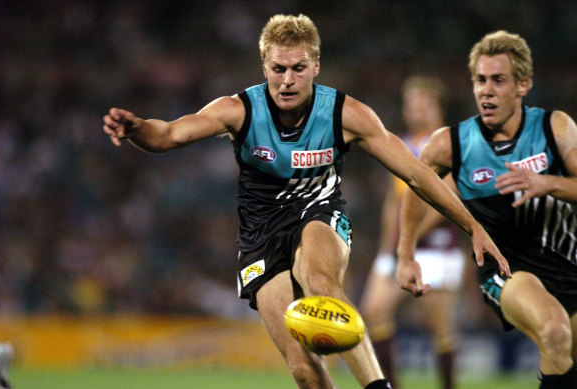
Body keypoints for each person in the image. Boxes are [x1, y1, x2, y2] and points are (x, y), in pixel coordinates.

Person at [103, 14, 510, 389]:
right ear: (265, 69)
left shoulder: (346, 114)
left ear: (316, 66)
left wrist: (474, 227)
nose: (287, 80)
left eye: (298, 68)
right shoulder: (239, 110)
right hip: (259, 236)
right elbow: (169, 135)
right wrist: (137, 128)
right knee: (303, 370)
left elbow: (418, 174)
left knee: (320, 280)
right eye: (278, 69)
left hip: (320, 213)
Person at [396, 30, 577, 389]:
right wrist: (405, 254)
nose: (485, 90)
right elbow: (415, 185)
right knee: (554, 330)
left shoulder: (554, 128)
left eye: (498, 80)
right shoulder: (452, 144)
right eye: (480, 80)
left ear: (522, 85)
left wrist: (547, 183)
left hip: (568, 266)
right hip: (508, 271)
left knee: (563, 358)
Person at [360, 76, 466, 389]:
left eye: (423, 104)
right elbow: (395, 200)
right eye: (411, 104)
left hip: (437, 247)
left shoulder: (448, 143)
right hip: (398, 249)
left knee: (440, 328)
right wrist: (386, 246)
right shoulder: (403, 144)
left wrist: (409, 236)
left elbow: (447, 198)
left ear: (438, 108)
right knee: (374, 311)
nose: (416, 110)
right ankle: (391, 385)